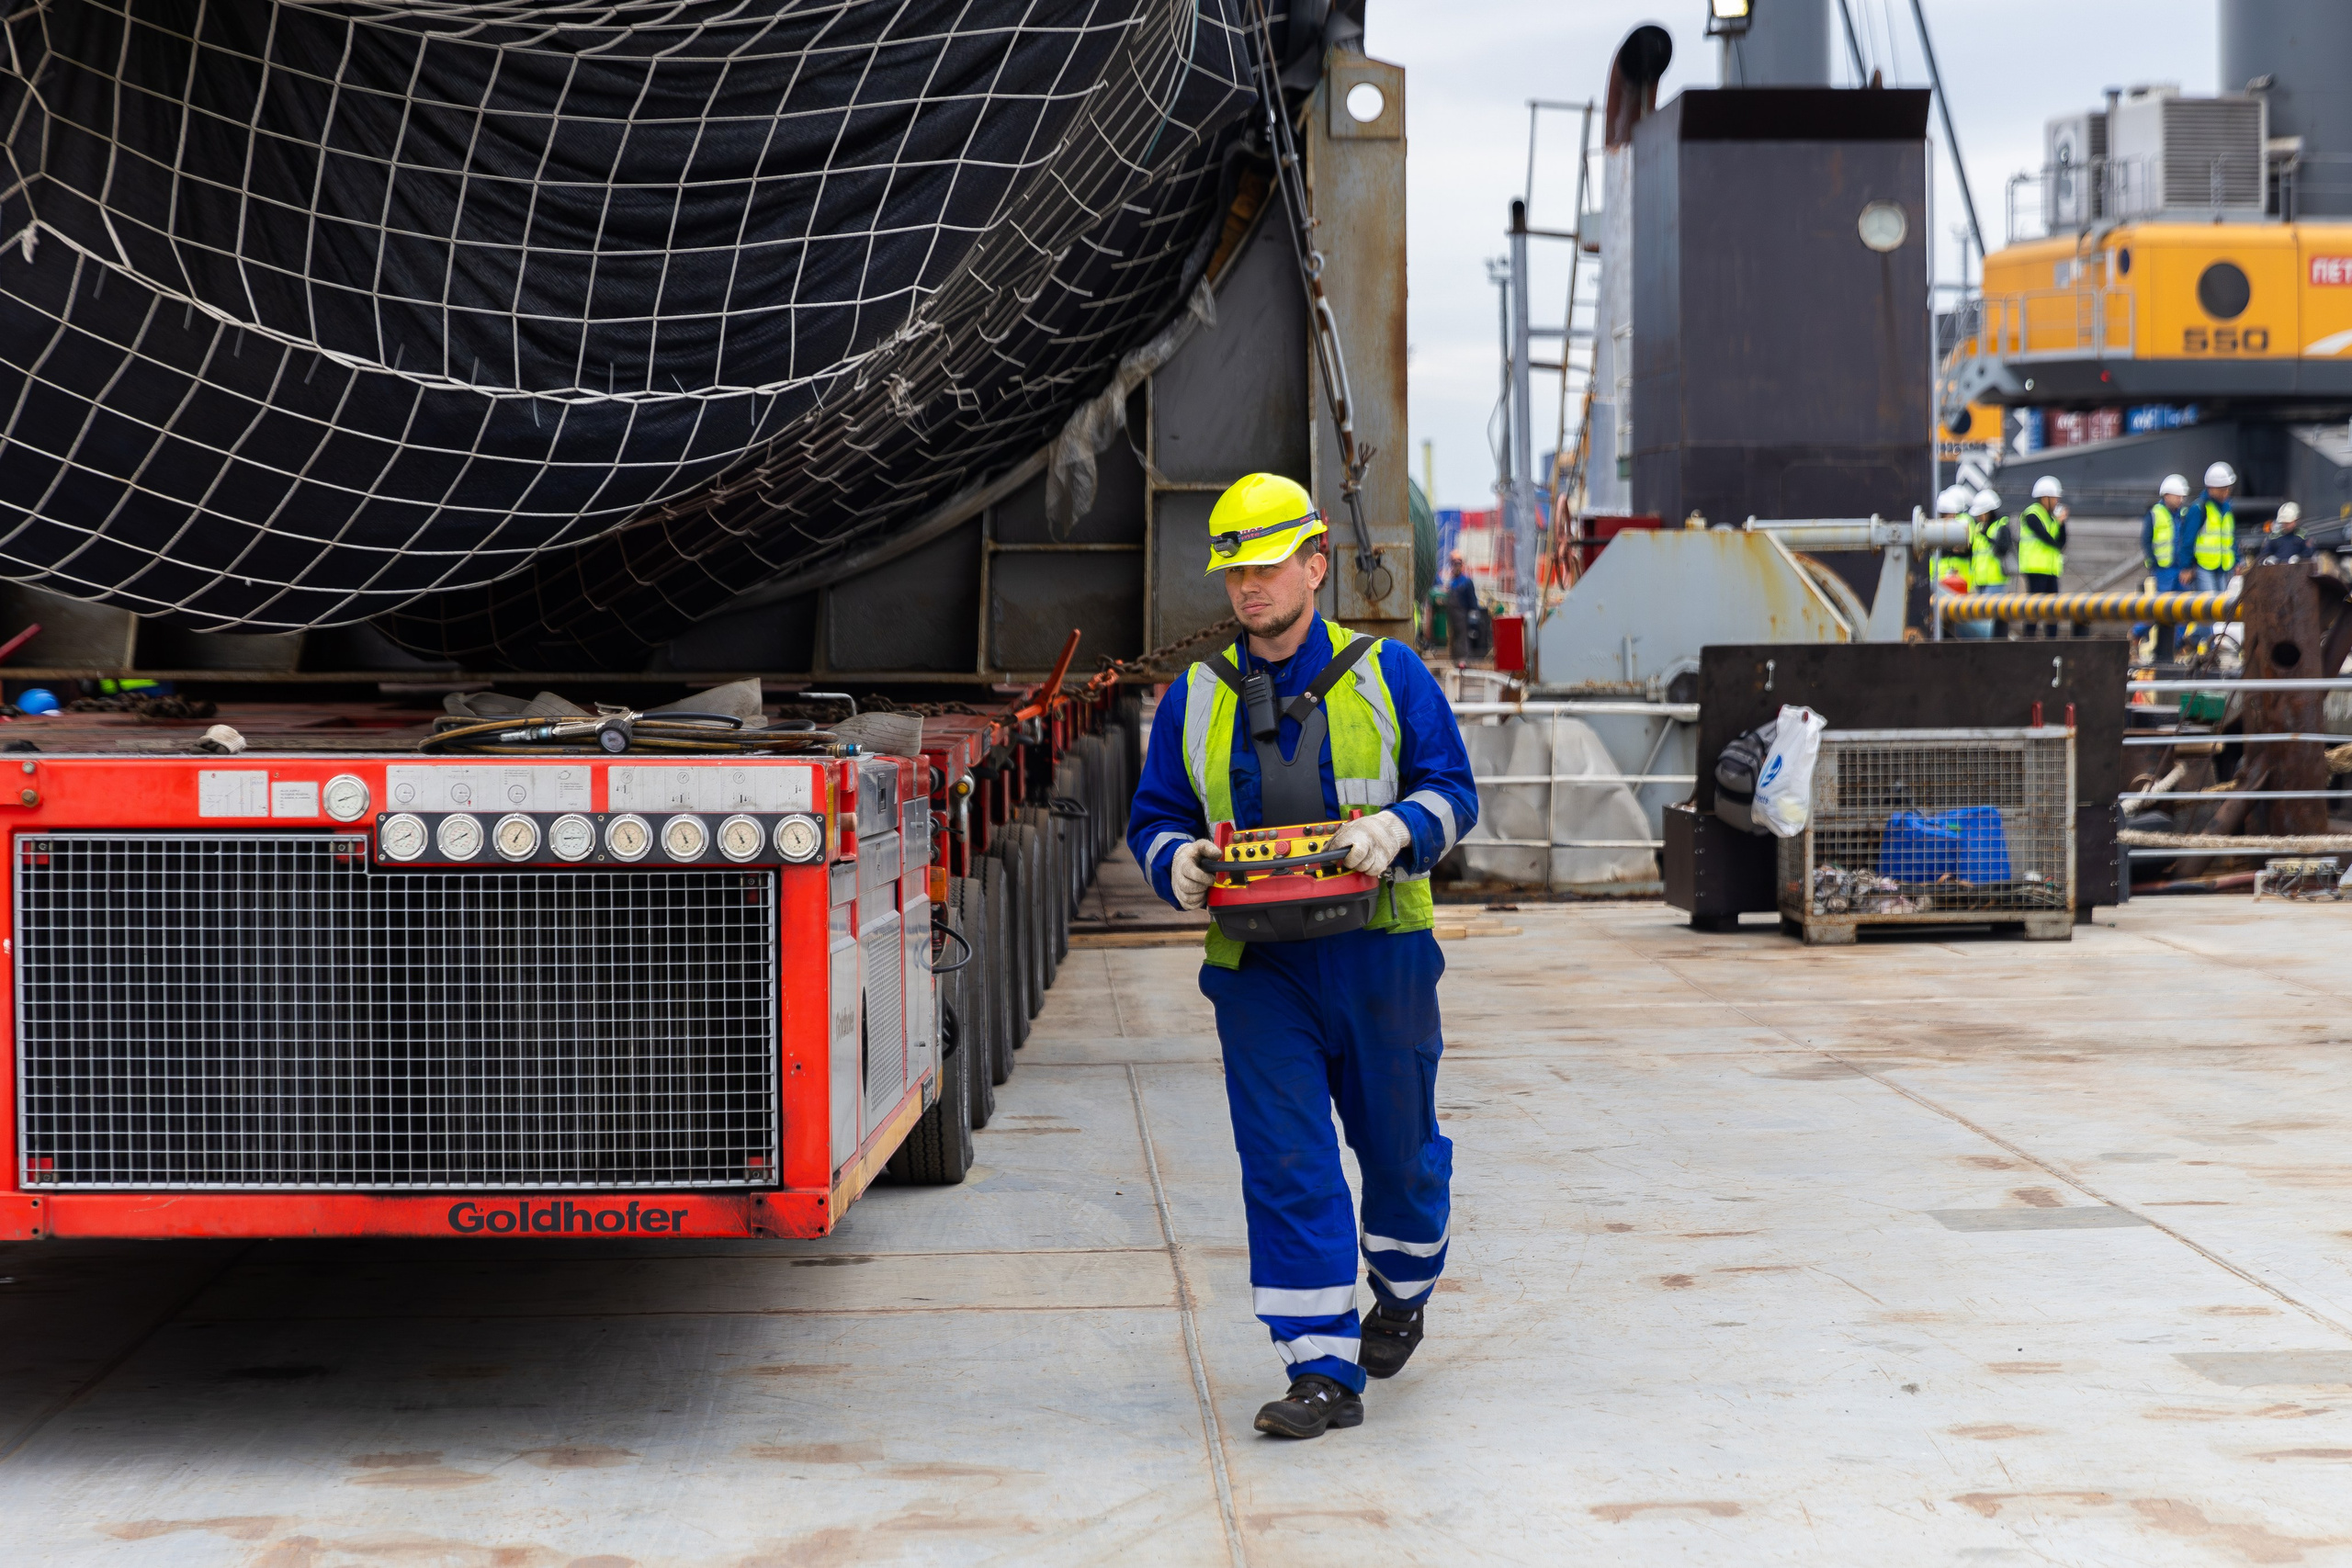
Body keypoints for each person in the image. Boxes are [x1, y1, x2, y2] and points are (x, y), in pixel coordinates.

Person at [1125, 472, 1479, 1440]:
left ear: (1315, 565)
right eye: (1235, 568)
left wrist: (1400, 828)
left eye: (1268, 564)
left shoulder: (1390, 673)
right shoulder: (1194, 698)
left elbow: (1455, 788)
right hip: (1258, 971)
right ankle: (1319, 1364)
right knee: (1286, 1161)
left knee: (1401, 1160)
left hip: (1382, 955)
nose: (1249, 586)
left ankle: (1402, 1288)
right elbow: (1153, 817)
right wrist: (1178, 862)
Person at [2184, 460, 2241, 657]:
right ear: (2212, 488)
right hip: (2205, 566)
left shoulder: (2226, 509)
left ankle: (2194, 639)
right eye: (2223, 489)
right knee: (2208, 607)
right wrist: (2186, 566)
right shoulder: (2199, 509)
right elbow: (2188, 539)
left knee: (2219, 610)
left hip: (2223, 566)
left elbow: (2231, 537)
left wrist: (2237, 560)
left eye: (2228, 488)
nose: (2227, 492)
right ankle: (2208, 647)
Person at [2142, 473, 2194, 660]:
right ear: (2167, 495)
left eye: (2182, 497)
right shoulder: (2155, 513)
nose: (2181, 500)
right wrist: (2153, 564)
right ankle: (2138, 633)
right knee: (2161, 607)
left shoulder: (2183, 515)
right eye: (2178, 496)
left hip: (2180, 569)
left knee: (2184, 607)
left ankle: (2175, 644)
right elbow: (2146, 540)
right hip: (2163, 569)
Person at [2018, 476, 2069, 638]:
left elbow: (2061, 542)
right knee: (2034, 608)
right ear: (2045, 497)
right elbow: (2047, 539)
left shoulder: (2052, 518)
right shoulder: (2032, 514)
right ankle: (2029, 639)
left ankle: (2051, 641)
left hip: (2051, 569)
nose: (2057, 501)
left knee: (2052, 609)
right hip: (2035, 568)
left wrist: (2062, 524)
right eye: (2054, 498)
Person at [1969, 488, 2013, 637]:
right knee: (1984, 617)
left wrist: (1986, 537)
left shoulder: (2000, 526)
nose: (1979, 517)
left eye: (1981, 514)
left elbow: (2003, 548)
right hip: (1981, 581)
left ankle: (1995, 644)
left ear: (1988, 512)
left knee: (1993, 617)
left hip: (1995, 580)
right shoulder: (1979, 528)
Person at [2254, 501, 2316, 565]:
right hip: (2277, 570)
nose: (2285, 525)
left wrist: (2299, 558)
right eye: (2283, 523)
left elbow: (2309, 554)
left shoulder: (2303, 535)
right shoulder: (2275, 536)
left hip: (2297, 571)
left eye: (2288, 523)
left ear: (2296, 520)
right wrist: (2267, 560)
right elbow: (2264, 554)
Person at [1446, 551, 1479, 663]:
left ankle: (1463, 660)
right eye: (1454, 565)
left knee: (1462, 637)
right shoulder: (1452, 582)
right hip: (1452, 617)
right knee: (1454, 637)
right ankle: (1454, 659)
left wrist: (1473, 614)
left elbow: (1472, 600)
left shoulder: (1466, 581)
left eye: (1458, 565)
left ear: (1461, 566)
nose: (1456, 568)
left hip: (1462, 615)